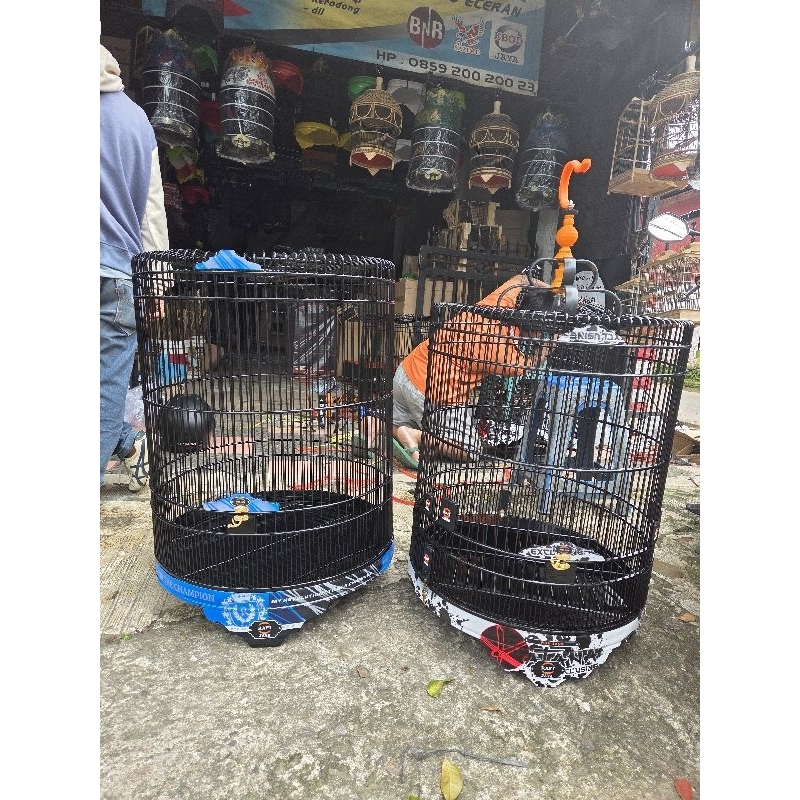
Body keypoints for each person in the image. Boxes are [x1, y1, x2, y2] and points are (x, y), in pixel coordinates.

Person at [391, 272, 551, 469]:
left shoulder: (500, 301)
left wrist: (555, 290)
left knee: (411, 423)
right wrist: (549, 345)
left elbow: (521, 278)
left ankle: (383, 426)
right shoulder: (502, 352)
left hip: (406, 371)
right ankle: (415, 435)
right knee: (469, 449)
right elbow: (525, 366)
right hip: (433, 391)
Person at [100, 43, 170, 490]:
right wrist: (157, 285)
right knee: (104, 389)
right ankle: (127, 443)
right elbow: (152, 213)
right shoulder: (136, 120)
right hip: (118, 274)